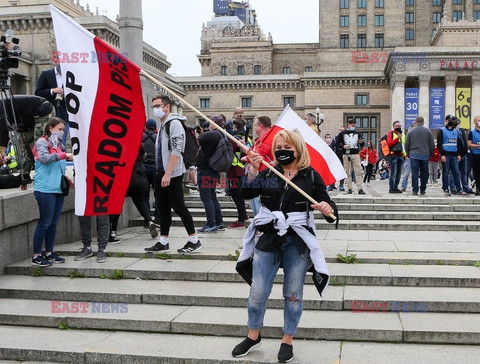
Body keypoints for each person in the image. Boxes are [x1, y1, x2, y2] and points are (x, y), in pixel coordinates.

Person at [232, 129, 337, 363]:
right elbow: (246, 192)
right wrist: (253, 170)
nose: (281, 152)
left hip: (296, 242)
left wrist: (326, 208)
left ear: (298, 149)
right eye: (278, 148)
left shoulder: (310, 176)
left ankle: (287, 339)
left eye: (287, 148)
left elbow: (329, 206)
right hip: (268, 237)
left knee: (292, 294)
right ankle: (253, 334)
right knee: (258, 291)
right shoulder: (270, 172)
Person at [144, 95, 201, 253]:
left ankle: (194, 239)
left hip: (172, 173)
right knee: (163, 208)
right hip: (160, 172)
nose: (155, 109)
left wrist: (168, 173)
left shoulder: (174, 124)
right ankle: (163, 241)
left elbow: (177, 149)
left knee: (179, 206)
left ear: (166, 107)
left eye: (158, 106)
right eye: (153, 106)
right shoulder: (163, 125)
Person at [31, 117, 72, 266]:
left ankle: (49, 252)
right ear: (51, 128)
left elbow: (58, 166)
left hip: (57, 188)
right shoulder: (42, 142)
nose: (62, 132)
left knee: (53, 223)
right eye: (60, 129)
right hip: (45, 189)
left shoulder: (59, 145)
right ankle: (36, 255)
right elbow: (44, 158)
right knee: (45, 222)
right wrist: (63, 155)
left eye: (63, 130)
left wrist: (66, 179)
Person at [0, 95, 54, 182]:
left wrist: (2, 148)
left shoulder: (1, 105)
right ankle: (25, 173)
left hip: (42, 109)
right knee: (22, 145)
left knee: (39, 144)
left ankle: (45, 172)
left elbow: (3, 127)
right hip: (25, 120)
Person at [194, 115, 226, 233]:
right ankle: (219, 222)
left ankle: (211, 224)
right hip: (213, 170)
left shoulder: (211, 134)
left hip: (205, 170)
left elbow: (196, 141)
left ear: (213, 123)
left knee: (206, 198)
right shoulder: (221, 134)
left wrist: (195, 133)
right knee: (212, 197)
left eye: (210, 122)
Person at [35, 65, 69, 146]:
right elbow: (38, 93)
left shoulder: (69, 75)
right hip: (50, 113)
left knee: (62, 142)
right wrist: (52, 91)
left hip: (65, 114)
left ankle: (60, 156)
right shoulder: (46, 74)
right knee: (50, 140)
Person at [247, 116, 274, 216]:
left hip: (265, 176)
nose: (254, 128)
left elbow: (255, 155)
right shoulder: (262, 139)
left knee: (260, 207)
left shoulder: (268, 139)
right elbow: (250, 153)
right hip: (258, 174)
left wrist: (249, 156)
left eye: (255, 125)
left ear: (261, 126)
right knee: (255, 204)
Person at [227, 116, 251, 228]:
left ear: (235, 126)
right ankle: (243, 216)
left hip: (236, 170)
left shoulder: (235, 137)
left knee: (236, 194)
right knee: (236, 193)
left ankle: (241, 219)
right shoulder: (246, 137)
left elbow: (230, 149)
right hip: (242, 169)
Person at [404, 116, 435, 196]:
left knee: (414, 173)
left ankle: (415, 190)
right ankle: (423, 189)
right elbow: (432, 145)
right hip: (425, 155)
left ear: (416, 122)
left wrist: (409, 153)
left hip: (414, 155)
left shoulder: (411, 131)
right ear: (423, 122)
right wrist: (430, 154)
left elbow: (406, 144)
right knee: (424, 173)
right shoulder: (428, 132)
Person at [437, 115, 463, 196]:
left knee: (456, 172)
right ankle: (445, 189)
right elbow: (439, 144)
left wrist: (459, 154)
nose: (450, 121)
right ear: (445, 121)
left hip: (454, 155)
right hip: (446, 155)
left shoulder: (456, 131)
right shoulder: (442, 131)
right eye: (449, 120)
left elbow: (458, 144)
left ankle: (459, 189)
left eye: (451, 120)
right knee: (445, 173)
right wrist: (442, 155)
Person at [337, 119, 365, 194]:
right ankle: (349, 187)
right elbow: (337, 143)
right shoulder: (342, 133)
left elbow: (362, 144)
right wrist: (343, 146)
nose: (353, 127)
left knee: (358, 170)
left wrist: (361, 142)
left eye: (354, 125)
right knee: (347, 171)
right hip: (346, 154)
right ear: (348, 124)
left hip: (355, 154)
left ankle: (359, 188)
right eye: (352, 125)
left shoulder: (357, 133)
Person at [142, 118, 161, 222]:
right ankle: (158, 217)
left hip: (143, 169)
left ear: (146, 126)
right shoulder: (158, 138)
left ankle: (147, 218)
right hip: (155, 168)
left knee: (145, 194)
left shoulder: (141, 137)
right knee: (157, 193)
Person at [387, 120, 406, 193]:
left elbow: (404, 146)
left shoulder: (403, 135)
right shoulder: (391, 133)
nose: (399, 127)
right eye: (397, 126)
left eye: (400, 126)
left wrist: (406, 155)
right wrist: (397, 138)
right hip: (393, 155)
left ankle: (396, 187)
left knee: (399, 173)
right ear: (394, 127)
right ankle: (391, 188)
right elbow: (389, 143)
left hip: (401, 156)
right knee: (393, 173)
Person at [467, 115, 480, 196]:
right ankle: (478, 188)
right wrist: (477, 146)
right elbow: (469, 144)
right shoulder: (472, 132)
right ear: (475, 122)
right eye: (478, 120)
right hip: (475, 154)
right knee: (477, 172)